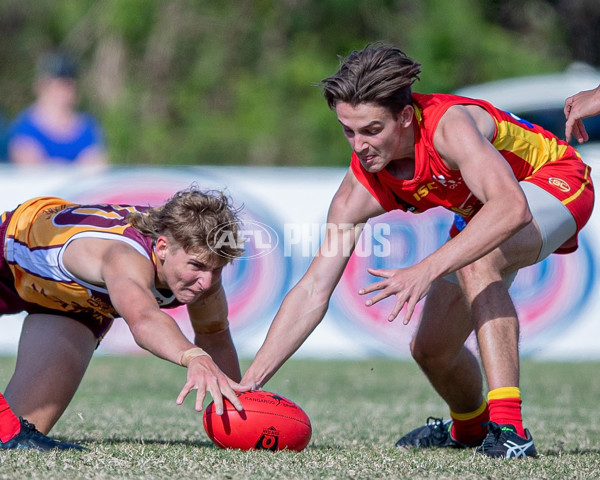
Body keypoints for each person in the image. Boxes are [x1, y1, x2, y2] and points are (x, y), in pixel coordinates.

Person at [236, 44, 594, 459]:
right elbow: (314, 288)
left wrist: (425, 269)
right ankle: (470, 428)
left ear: (405, 116)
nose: (359, 146)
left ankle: (511, 431)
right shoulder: (359, 188)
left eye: (372, 130)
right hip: (484, 210)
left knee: (478, 260)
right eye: (348, 131)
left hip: (556, 181)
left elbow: (511, 208)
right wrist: (252, 382)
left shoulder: (448, 127)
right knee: (431, 350)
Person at [0, 187, 249, 451]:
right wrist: (193, 356)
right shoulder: (124, 255)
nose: (207, 282)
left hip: (73, 305)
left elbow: (214, 336)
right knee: (7, 433)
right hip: (8, 256)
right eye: (197, 266)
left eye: (217, 269)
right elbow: (143, 319)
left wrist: (240, 414)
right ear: (162, 247)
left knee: (17, 434)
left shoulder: (197, 264)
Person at [7, 50, 108, 166]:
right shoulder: (24, 127)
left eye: (67, 85)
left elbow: (96, 164)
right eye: (54, 85)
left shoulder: (88, 127)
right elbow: (29, 167)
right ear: (39, 86)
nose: (61, 92)